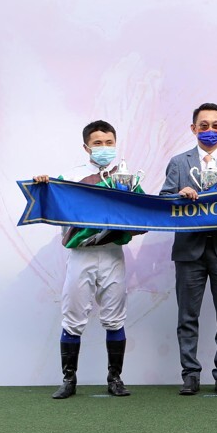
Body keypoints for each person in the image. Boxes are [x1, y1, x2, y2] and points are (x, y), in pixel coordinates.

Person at [33, 120, 143, 399]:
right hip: (80, 255)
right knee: (72, 319)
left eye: (109, 143)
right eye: (97, 143)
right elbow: (50, 204)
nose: (104, 148)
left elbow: (143, 217)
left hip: (112, 254)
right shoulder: (69, 177)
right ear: (86, 147)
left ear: (115, 144)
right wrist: (44, 185)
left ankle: (115, 379)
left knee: (115, 319)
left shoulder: (127, 178)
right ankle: (69, 380)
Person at [160, 102, 217, 396]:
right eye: (204, 125)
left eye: (215, 125)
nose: (210, 130)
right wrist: (178, 195)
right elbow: (163, 201)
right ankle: (190, 374)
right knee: (187, 317)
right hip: (189, 250)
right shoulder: (178, 162)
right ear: (193, 128)